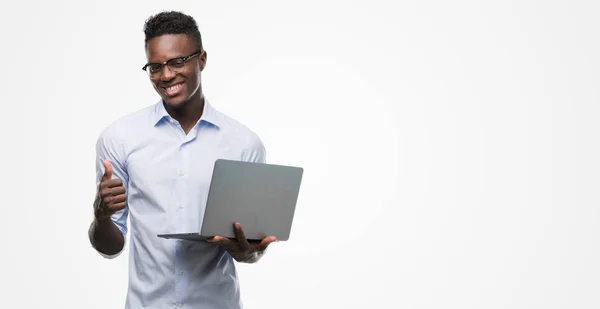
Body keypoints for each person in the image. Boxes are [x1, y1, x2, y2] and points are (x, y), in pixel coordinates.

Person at [88, 11, 277, 309]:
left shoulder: (243, 144)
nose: (166, 75)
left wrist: (244, 249)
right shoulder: (119, 138)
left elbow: (252, 252)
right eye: (155, 66)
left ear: (201, 60)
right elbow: (110, 247)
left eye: (177, 62)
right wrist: (100, 217)